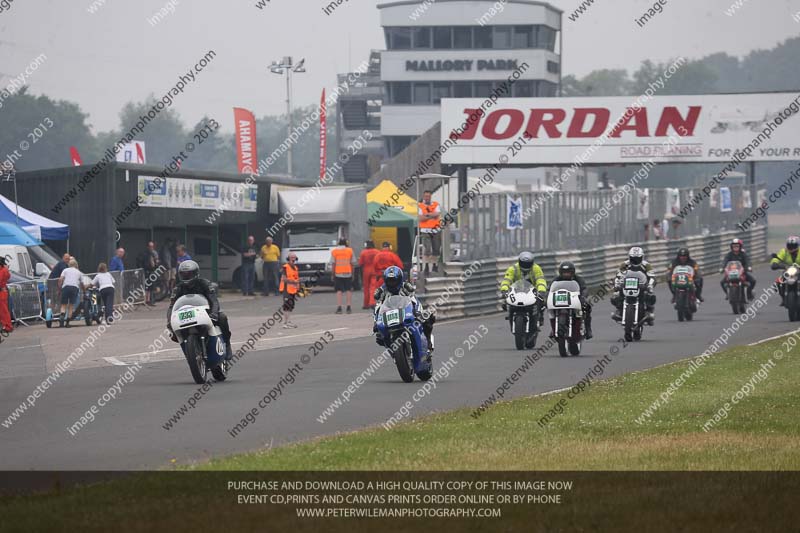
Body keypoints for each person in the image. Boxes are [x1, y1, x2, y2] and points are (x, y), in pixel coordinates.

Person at [167, 260, 232, 359]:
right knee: (174, 334)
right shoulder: (178, 289)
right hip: (187, 314)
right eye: (183, 274)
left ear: (196, 273)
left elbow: (214, 301)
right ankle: (190, 352)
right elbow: (171, 306)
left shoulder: (205, 283)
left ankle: (227, 344)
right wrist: (169, 321)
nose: (186, 277)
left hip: (206, 312)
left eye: (189, 274)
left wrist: (214, 314)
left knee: (222, 317)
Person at [373, 265, 435, 353]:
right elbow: (378, 305)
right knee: (379, 338)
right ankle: (392, 349)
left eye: (394, 280)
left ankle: (428, 340)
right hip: (390, 316)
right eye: (389, 280)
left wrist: (417, 312)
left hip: (406, 312)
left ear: (399, 279)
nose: (392, 283)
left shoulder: (405, 286)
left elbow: (414, 299)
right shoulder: (382, 289)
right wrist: (376, 322)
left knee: (427, 318)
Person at [499, 251, 548, 323]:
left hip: (532, 291)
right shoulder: (513, 269)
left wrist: (541, 291)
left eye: (528, 264)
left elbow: (540, 280)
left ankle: (539, 317)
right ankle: (511, 315)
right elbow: (507, 280)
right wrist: (504, 290)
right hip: (517, 291)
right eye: (524, 264)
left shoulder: (536, 268)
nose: (526, 265)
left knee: (541, 302)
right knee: (505, 302)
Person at [611, 246, 656, 324]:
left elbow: (652, 276)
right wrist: (617, 284)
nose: (635, 261)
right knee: (616, 295)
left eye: (637, 259)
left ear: (642, 257)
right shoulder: (624, 264)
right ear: (629, 257)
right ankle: (619, 310)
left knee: (650, 295)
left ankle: (649, 311)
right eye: (633, 258)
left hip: (642, 285)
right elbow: (618, 276)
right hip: (627, 284)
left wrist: (650, 285)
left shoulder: (646, 265)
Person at [551, 261, 592, 339]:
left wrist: (583, 296)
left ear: (572, 272)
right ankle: (554, 328)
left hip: (575, 300)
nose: (566, 274)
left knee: (587, 307)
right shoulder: (556, 279)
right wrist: (547, 296)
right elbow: (549, 289)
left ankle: (588, 328)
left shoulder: (578, 279)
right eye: (564, 272)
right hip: (560, 300)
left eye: (568, 272)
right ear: (560, 272)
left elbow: (584, 288)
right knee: (551, 310)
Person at [771, 235, 800, 307]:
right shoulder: (784, 251)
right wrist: (775, 264)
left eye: (793, 246)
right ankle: (783, 298)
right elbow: (777, 258)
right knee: (777, 284)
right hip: (788, 272)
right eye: (790, 246)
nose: (791, 248)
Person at [329, 238, 356, 314]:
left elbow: (333, 264)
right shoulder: (350, 250)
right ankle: (348, 307)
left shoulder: (334, 251)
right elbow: (352, 263)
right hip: (348, 273)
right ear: (346, 243)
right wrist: (353, 274)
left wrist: (332, 274)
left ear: (338, 243)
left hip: (338, 273)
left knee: (339, 291)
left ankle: (339, 307)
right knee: (348, 290)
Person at [418, 190, 442, 274]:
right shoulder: (420, 206)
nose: (427, 198)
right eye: (426, 196)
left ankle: (435, 265)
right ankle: (427, 267)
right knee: (427, 249)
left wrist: (426, 215)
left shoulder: (436, 204)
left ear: (431, 196)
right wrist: (431, 215)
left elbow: (437, 214)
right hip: (425, 230)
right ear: (423, 197)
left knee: (436, 249)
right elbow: (421, 218)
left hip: (436, 230)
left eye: (428, 196)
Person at [57, 259, 84, 328]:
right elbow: (82, 283)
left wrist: (59, 289)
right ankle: (67, 323)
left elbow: (60, 279)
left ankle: (62, 318)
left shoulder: (65, 270)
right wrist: (84, 290)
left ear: (69, 264)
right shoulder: (79, 272)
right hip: (74, 288)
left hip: (66, 287)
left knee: (63, 305)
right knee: (71, 306)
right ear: (76, 265)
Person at [279, 252, 300, 328]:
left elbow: (296, 278)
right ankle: (285, 323)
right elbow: (284, 279)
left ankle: (288, 321)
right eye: (292, 257)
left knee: (291, 306)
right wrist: (293, 282)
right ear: (288, 258)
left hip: (293, 289)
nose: (293, 259)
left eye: (294, 257)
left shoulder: (295, 268)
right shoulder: (285, 267)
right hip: (286, 289)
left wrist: (297, 286)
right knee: (286, 306)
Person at [358, 240, 379, 309]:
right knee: (373, 287)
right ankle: (372, 302)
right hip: (374, 271)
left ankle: (366, 304)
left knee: (366, 288)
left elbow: (360, 263)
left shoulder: (363, 252)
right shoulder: (377, 252)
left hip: (366, 271)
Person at [139, 241, 160, 306]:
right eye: (150, 246)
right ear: (148, 247)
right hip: (147, 271)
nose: (151, 248)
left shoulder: (154, 253)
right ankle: (146, 300)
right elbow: (141, 262)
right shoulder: (144, 254)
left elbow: (156, 262)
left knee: (152, 287)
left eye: (152, 246)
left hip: (153, 271)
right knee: (146, 286)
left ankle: (151, 300)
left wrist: (156, 264)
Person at [0, 256, 12, 333]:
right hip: (3, 292)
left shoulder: (2, 271)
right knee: (4, 311)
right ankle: (7, 325)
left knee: (3, 311)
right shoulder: (5, 270)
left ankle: (8, 326)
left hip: (1, 292)